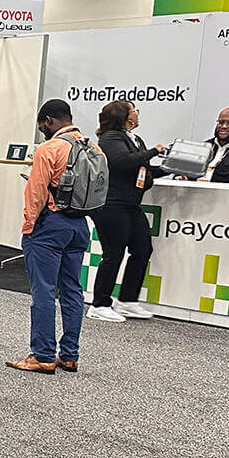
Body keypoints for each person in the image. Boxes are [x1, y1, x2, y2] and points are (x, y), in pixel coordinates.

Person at [8, 99, 97, 375]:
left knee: (43, 290)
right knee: (72, 290)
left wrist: (29, 227)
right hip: (80, 225)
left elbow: (35, 192)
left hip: (50, 225)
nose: (42, 132)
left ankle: (43, 355)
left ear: (49, 121)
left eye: (42, 127)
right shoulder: (94, 148)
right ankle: (69, 356)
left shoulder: (49, 149)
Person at [90, 100, 168, 323]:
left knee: (142, 249)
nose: (137, 113)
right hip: (111, 203)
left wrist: (170, 169)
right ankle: (99, 304)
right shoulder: (110, 138)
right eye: (134, 110)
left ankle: (127, 300)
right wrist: (154, 151)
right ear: (124, 116)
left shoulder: (135, 139)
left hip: (131, 204)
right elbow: (122, 162)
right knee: (113, 253)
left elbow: (142, 168)